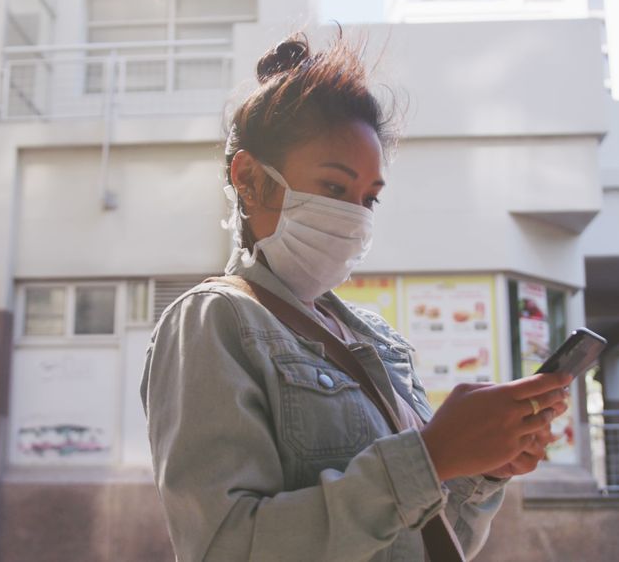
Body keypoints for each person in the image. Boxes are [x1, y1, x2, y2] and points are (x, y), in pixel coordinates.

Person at [140, 32, 572, 561]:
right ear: (250, 179)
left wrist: (480, 470)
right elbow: (225, 548)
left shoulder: (378, 340)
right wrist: (430, 459)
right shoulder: (213, 320)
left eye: (369, 197)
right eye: (335, 189)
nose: (356, 217)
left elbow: (433, 540)